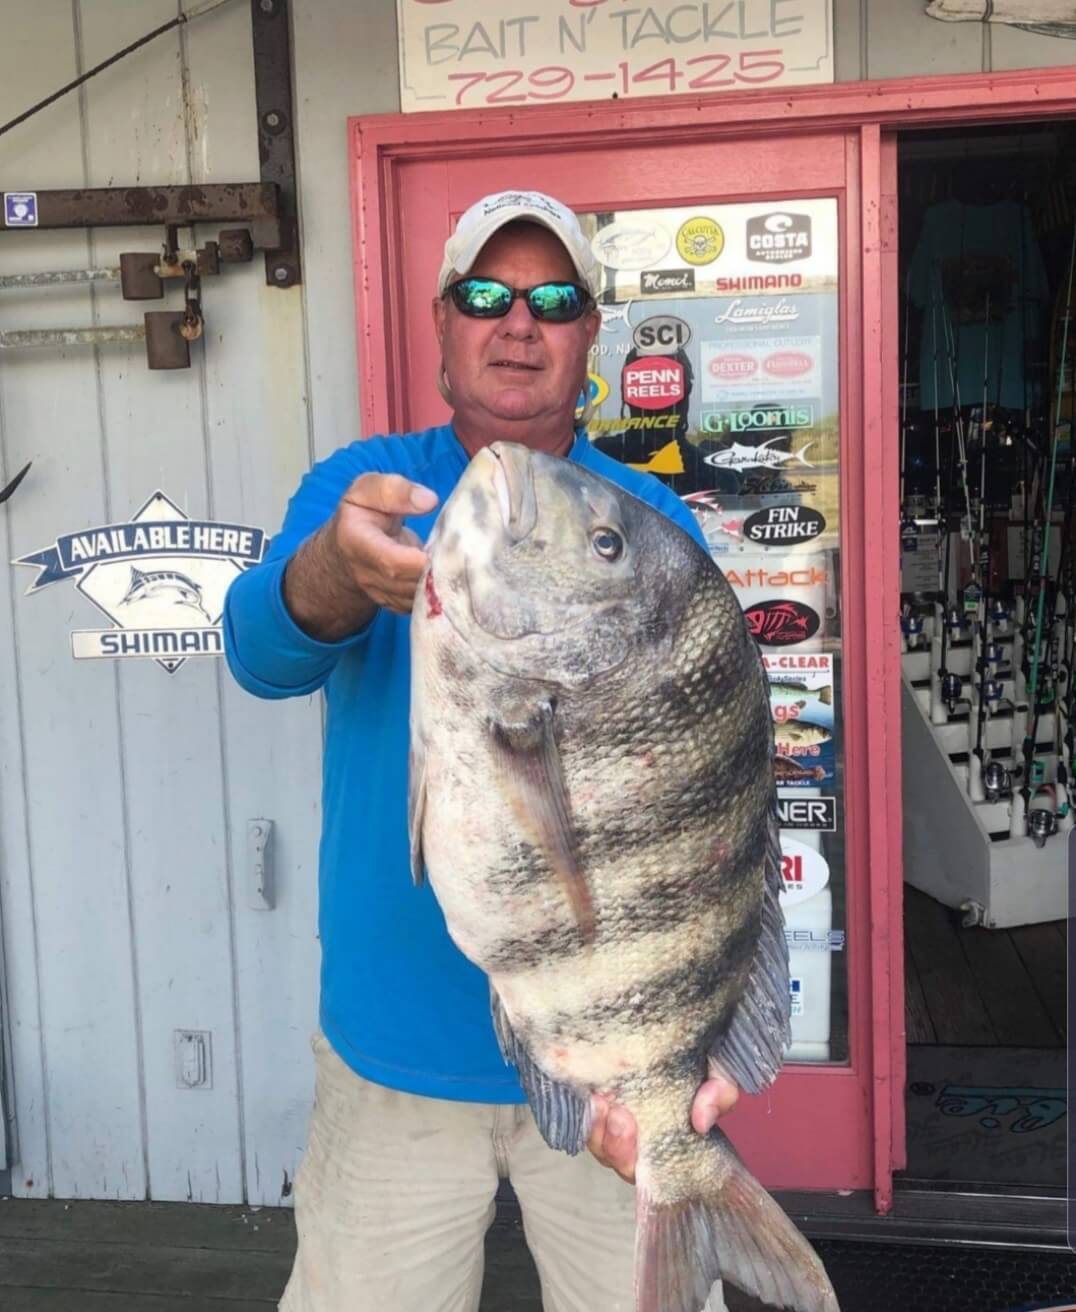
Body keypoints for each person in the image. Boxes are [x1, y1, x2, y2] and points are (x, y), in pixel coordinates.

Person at [223, 190, 739, 1312]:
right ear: (442, 323)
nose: (519, 322)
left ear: (589, 332)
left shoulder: (647, 526)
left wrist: (686, 1057)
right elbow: (260, 655)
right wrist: (334, 574)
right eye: (486, 295)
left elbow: (707, 814)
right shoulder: (373, 492)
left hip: (608, 1055)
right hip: (394, 1050)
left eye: (553, 298)